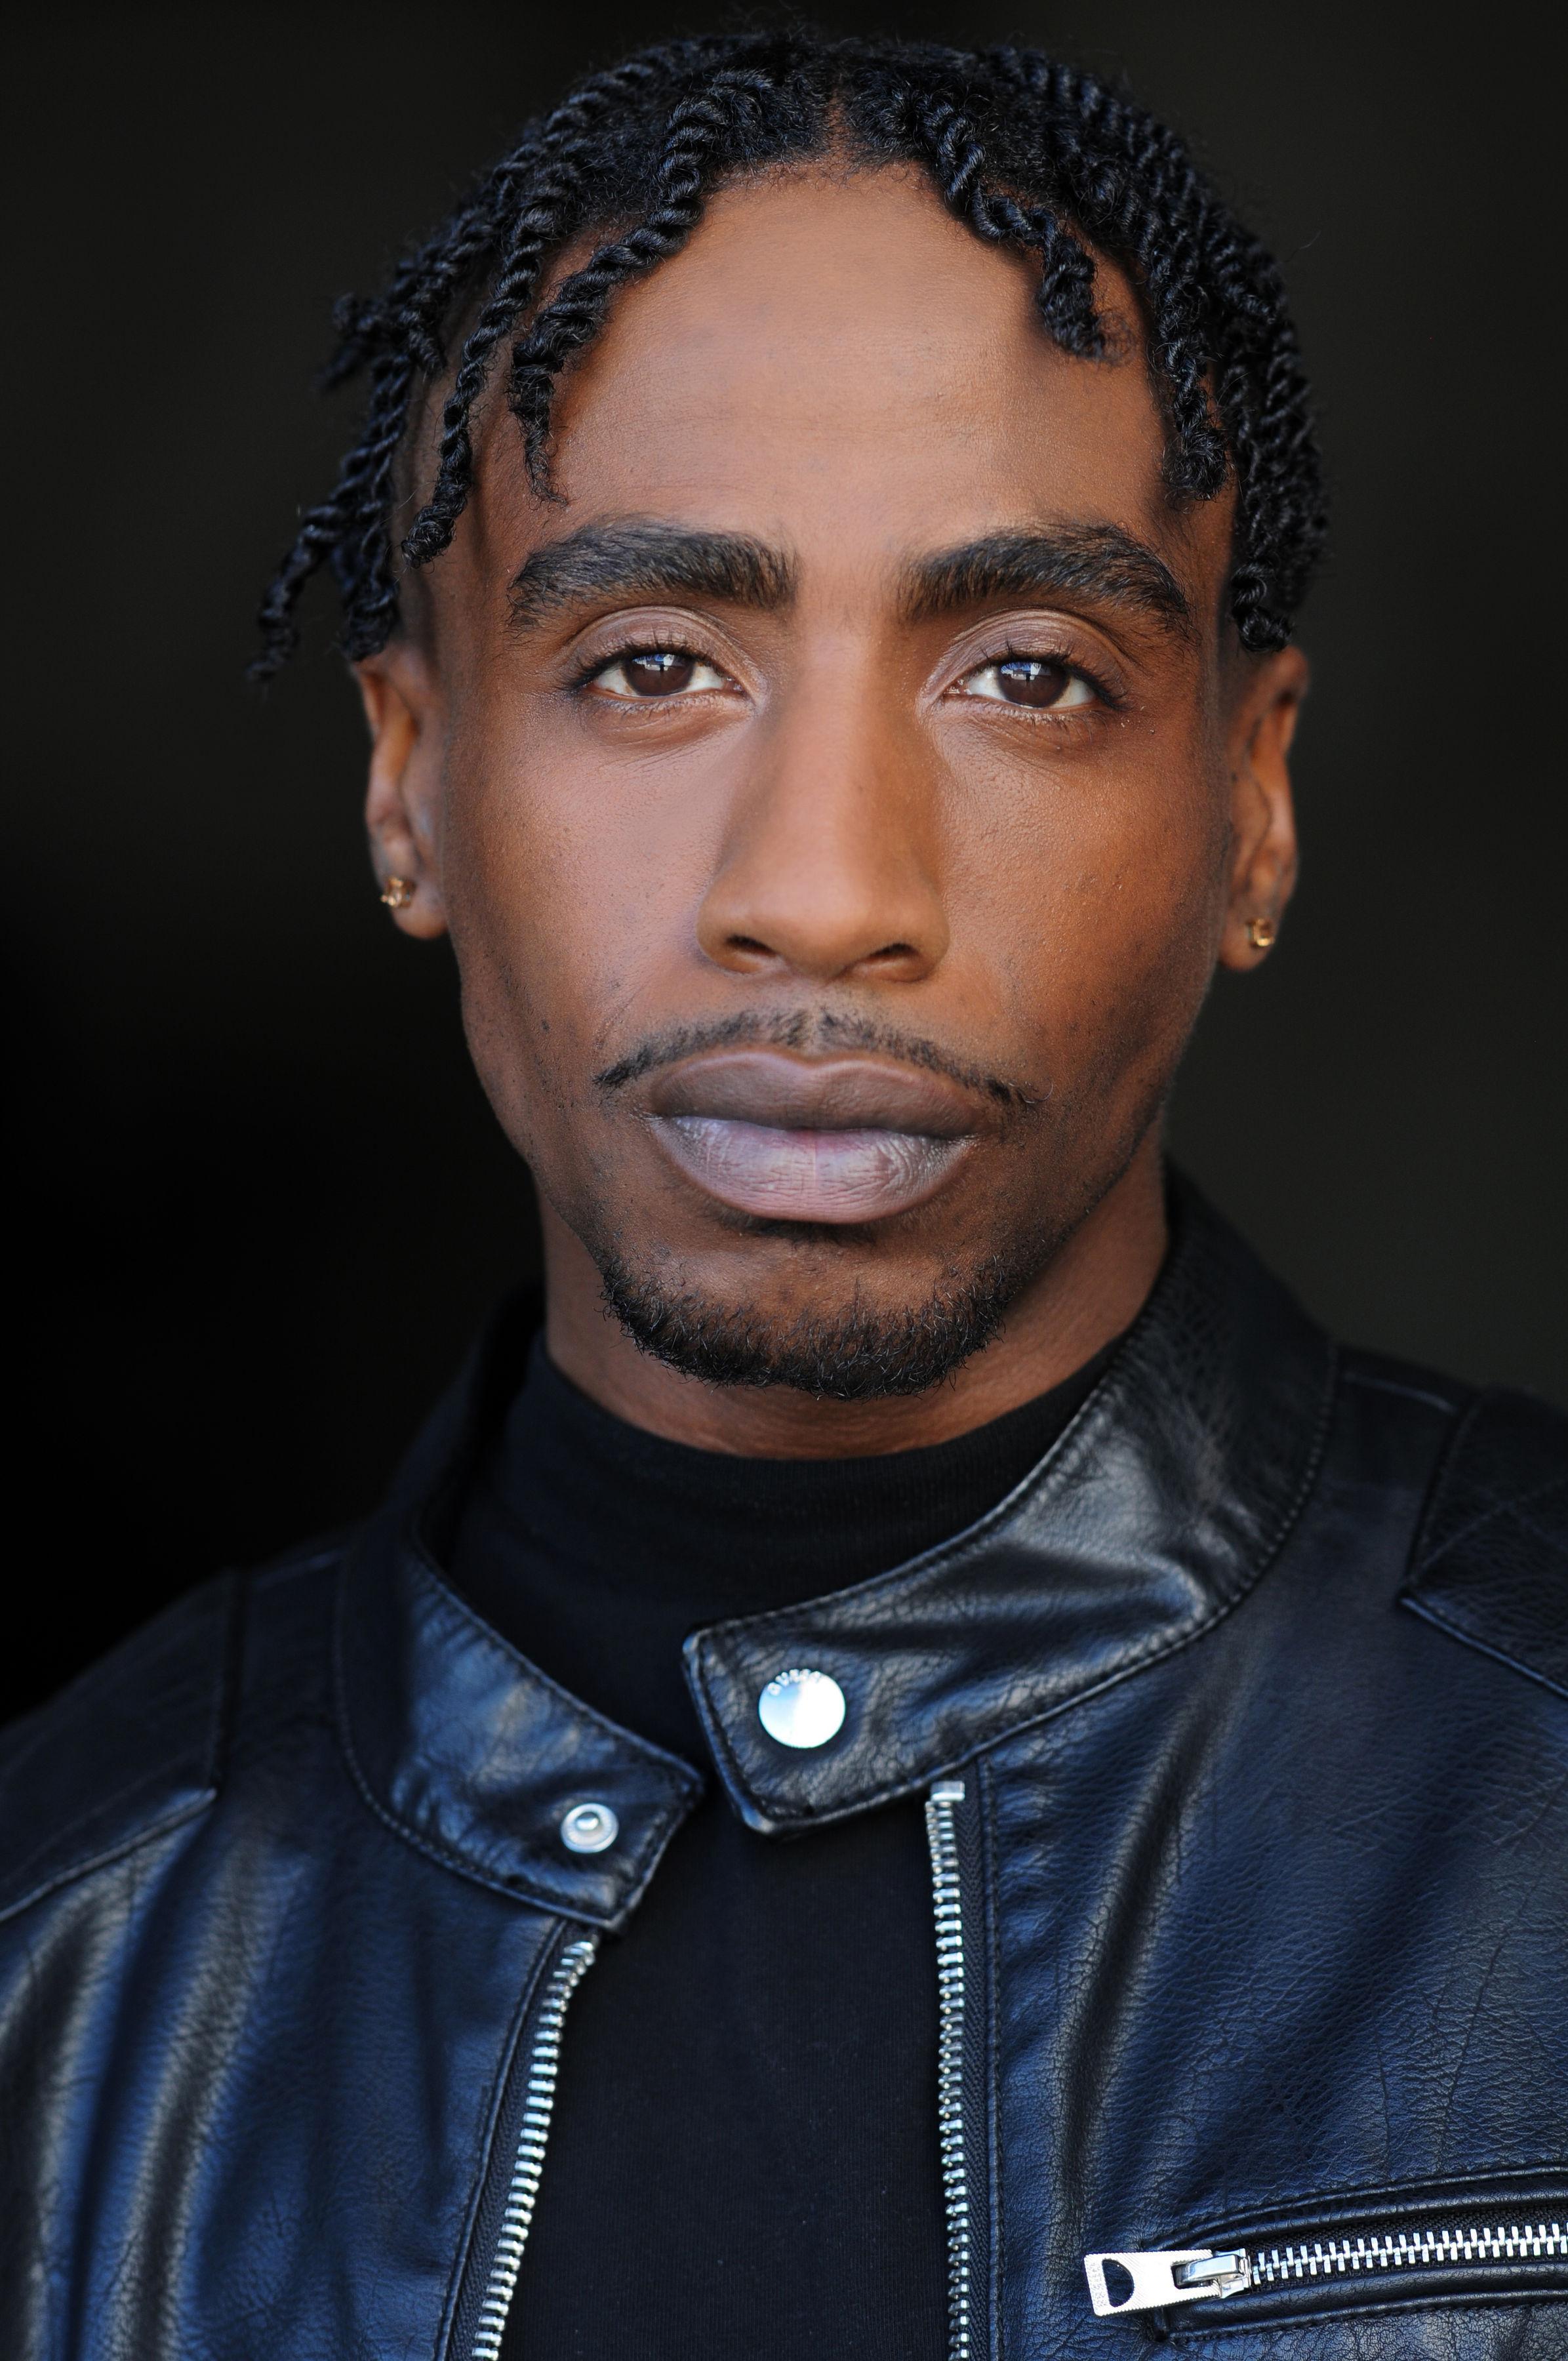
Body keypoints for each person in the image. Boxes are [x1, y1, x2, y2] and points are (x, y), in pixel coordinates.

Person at [3, 28, 1564, 2360]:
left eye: (1026, 675)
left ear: (1250, 808)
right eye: (654, 664)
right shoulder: (59, 1950)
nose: (824, 892)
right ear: (408, 786)